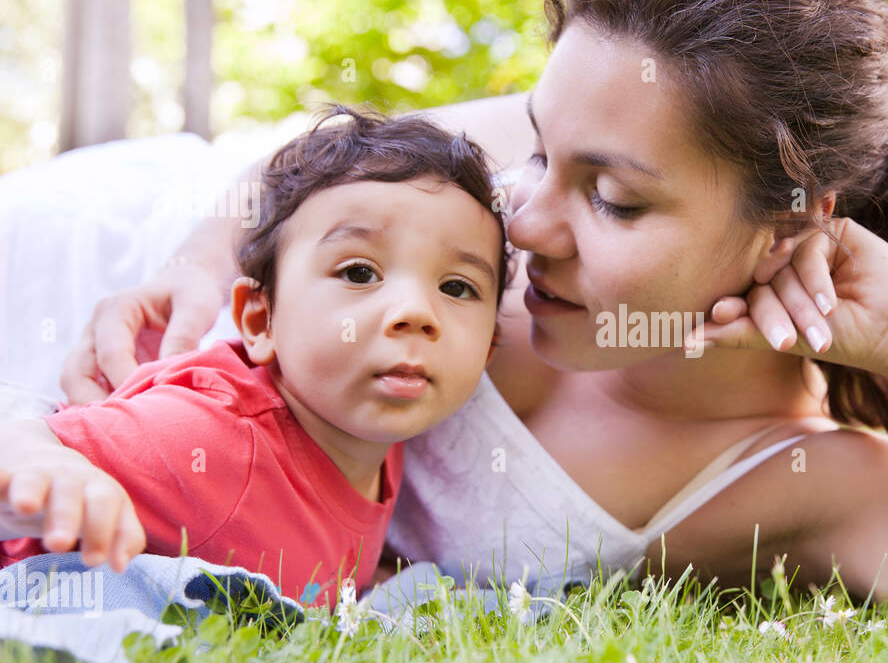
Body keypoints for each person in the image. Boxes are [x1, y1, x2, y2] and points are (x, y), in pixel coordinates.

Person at [55, 0, 888, 652]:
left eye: (616, 199)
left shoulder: (800, 478)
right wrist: (200, 261)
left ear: (785, 228)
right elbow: (287, 163)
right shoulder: (576, 135)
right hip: (105, 273)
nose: (522, 215)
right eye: (537, 144)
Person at [0, 106, 508, 608]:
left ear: (488, 350)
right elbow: (22, 440)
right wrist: (41, 456)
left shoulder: (376, 429)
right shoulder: (212, 440)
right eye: (358, 272)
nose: (416, 313)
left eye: (456, 287)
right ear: (260, 320)